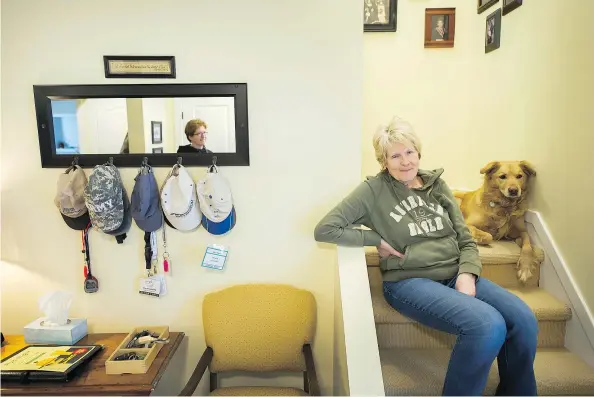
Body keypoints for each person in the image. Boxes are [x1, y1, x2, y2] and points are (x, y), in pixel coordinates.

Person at [314, 116, 538, 396]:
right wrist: (374, 239)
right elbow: (326, 229)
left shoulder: (437, 185)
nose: (405, 161)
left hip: (455, 271)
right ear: (383, 161)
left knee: (524, 319)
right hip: (409, 281)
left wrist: (467, 273)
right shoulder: (372, 191)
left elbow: (465, 237)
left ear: (418, 152)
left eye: (409, 152)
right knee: (487, 325)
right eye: (395, 155)